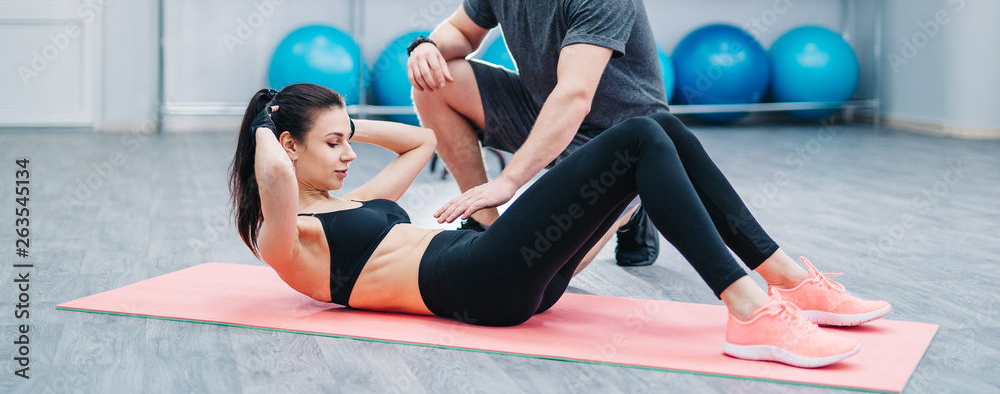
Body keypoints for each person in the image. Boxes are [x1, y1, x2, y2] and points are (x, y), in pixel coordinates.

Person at [230, 83, 891, 369]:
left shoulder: (346, 201)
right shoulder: (284, 234)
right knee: (635, 136)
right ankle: (747, 304)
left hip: (499, 265)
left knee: (656, 124)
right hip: (479, 281)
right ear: (287, 146)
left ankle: (786, 277)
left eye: (347, 144)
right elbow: (278, 180)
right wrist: (265, 121)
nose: (348, 156)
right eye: (332, 146)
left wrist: (340, 123)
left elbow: (420, 142)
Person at [407, 0, 666, 268]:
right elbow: (461, 31)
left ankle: (631, 203)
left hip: (615, 140)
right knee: (435, 80)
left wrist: (509, 182)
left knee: (545, 265)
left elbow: (575, 97)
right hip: (543, 109)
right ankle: (482, 225)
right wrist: (424, 46)